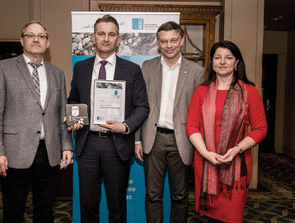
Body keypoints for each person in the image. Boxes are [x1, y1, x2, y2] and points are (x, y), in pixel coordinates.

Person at [0, 21, 73, 223]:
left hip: (48, 152)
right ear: (22, 40)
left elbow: (61, 114)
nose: (36, 39)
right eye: (31, 35)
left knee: (45, 210)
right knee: (14, 211)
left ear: (47, 43)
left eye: (41, 36)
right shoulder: (2, 68)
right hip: (14, 152)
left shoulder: (57, 73)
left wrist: (67, 145)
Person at [68, 14, 149, 222]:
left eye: (111, 34)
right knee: (87, 204)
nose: (106, 38)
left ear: (118, 39)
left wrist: (126, 125)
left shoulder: (132, 70)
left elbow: (142, 106)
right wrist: (74, 119)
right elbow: (73, 100)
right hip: (88, 144)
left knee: (117, 205)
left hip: (117, 144)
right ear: (93, 37)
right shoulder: (81, 68)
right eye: (101, 34)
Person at [186, 40, 267, 223]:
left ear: (237, 62)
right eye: (218, 57)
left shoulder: (250, 91)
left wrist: (237, 149)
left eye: (228, 57)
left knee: (232, 217)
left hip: (236, 165)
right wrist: (206, 153)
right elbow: (192, 126)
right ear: (212, 62)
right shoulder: (201, 91)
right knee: (211, 218)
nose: (222, 62)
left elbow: (260, 129)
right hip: (206, 162)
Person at [134, 21, 205, 223]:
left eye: (173, 40)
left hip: (182, 140)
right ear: (158, 43)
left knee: (180, 196)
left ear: (181, 41)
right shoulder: (147, 67)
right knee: (152, 196)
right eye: (164, 41)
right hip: (152, 139)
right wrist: (137, 140)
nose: (169, 45)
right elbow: (139, 106)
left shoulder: (196, 71)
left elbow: (199, 112)